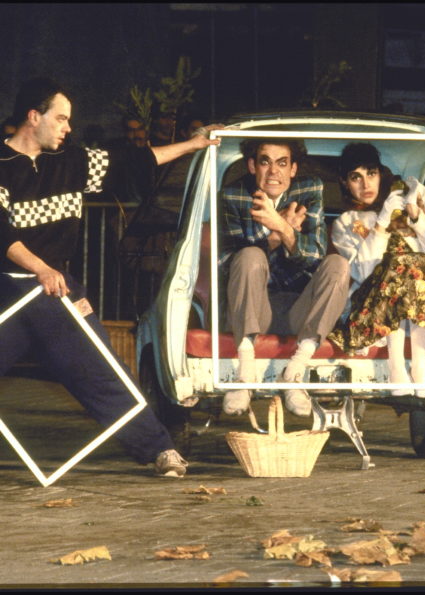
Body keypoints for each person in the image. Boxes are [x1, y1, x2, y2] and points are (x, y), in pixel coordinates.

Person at [0, 77, 220, 478]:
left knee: (102, 369)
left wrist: (193, 145)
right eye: (61, 118)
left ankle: (159, 449)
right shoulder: (1, 167)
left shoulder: (71, 162)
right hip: (10, 291)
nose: (68, 128)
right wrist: (41, 269)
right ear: (34, 116)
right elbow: (2, 235)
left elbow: (137, 161)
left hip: (56, 290)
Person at [218, 138, 350, 417]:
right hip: (254, 308)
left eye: (282, 163)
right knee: (250, 255)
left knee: (337, 264)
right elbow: (227, 264)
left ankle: (294, 373)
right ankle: (245, 377)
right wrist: (275, 236)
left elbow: (314, 256)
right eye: (265, 161)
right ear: (253, 166)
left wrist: (283, 229)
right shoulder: (233, 195)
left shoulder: (310, 189)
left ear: (293, 169)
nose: (273, 171)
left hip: (300, 309)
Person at [327, 143, 425, 399]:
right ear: (345, 182)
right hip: (373, 306)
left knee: (418, 263)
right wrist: (382, 225)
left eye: (371, 173)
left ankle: (419, 368)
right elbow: (363, 272)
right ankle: (396, 366)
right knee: (399, 264)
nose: (366, 184)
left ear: (381, 173)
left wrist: (417, 216)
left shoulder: (404, 199)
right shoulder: (347, 222)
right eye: (356, 177)